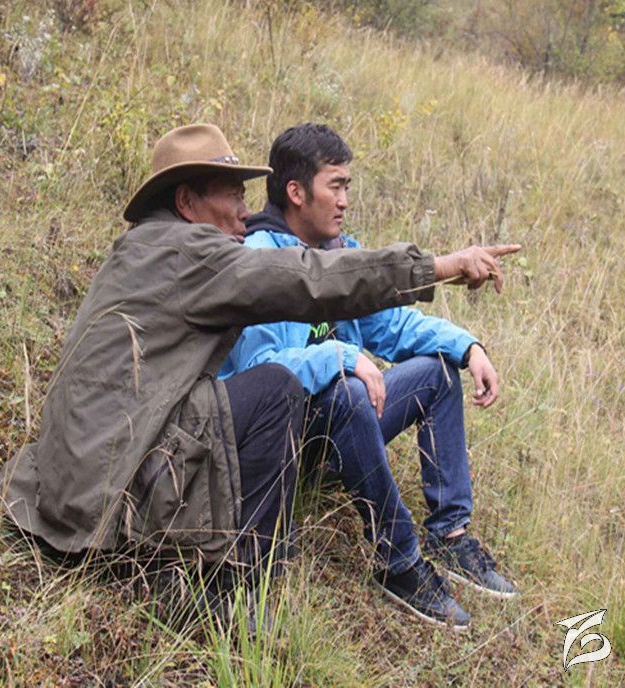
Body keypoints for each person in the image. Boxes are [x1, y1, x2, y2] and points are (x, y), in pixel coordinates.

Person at [0, 123, 517, 630]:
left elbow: (370, 310)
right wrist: (438, 267)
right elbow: (310, 281)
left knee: (374, 380)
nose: (245, 211)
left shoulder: (140, 249)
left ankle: (445, 535)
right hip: (109, 500)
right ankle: (237, 587)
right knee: (277, 389)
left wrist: (463, 344)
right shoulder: (197, 255)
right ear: (187, 202)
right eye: (232, 195)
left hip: (74, 486)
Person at [220, 123, 519, 630]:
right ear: (296, 192)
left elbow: (393, 326)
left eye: (347, 186)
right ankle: (398, 562)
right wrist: (338, 356)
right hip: (284, 443)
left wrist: (468, 346)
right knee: (348, 390)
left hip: (347, 424)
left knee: (437, 372)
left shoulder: (339, 253)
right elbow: (259, 370)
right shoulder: (259, 258)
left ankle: (449, 536)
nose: (344, 201)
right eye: (334, 186)